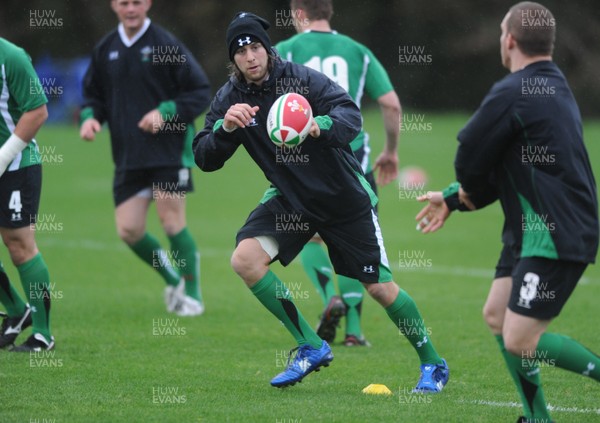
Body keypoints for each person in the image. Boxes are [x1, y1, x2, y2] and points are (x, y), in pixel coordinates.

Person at [193, 11, 448, 391]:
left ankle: (433, 363)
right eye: (241, 51)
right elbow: (204, 156)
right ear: (234, 60)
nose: (250, 56)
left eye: (255, 46)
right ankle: (311, 346)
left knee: (379, 288)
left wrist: (320, 125)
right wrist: (226, 129)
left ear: (267, 48)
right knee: (245, 259)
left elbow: (350, 113)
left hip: (342, 196)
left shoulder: (300, 79)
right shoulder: (230, 98)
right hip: (291, 199)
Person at [416, 2, 599, 421]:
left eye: (502, 32)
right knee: (497, 314)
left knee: (519, 337)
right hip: (534, 229)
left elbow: (470, 158)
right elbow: (506, 166)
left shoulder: (514, 91)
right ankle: (537, 417)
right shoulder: (554, 85)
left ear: (510, 40)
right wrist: (452, 197)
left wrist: (460, 190)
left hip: (553, 232)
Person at [274, 0, 401, 347]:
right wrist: (391, 151)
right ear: (329, 12)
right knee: (355, 241)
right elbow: (390, 103)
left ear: (299, 14)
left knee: (310, 237)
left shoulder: (284, 50)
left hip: (303, 160)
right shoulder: (358, 52)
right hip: (352, 156)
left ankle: (331, 294)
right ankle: (355, 332)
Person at [80, 0, 211, 316]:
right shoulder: (105, 49)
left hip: (168, 152)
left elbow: (199, 90)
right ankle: (173, 280)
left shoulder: (165, 44)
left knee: (171, 221)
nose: (131, 9)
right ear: (114, 5)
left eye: (137, 2)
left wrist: (165, 113)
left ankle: (192, 295)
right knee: (129, 231)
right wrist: (90, 117)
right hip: (128, 156)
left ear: (147, 4)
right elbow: (93, 95)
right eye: (124, 3)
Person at [0, 37, 55, 351]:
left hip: (17, 164)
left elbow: (37, 112)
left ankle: (43, 334)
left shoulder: (11, 57)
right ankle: (17, 311)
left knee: (19, 245)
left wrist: (2, 159)